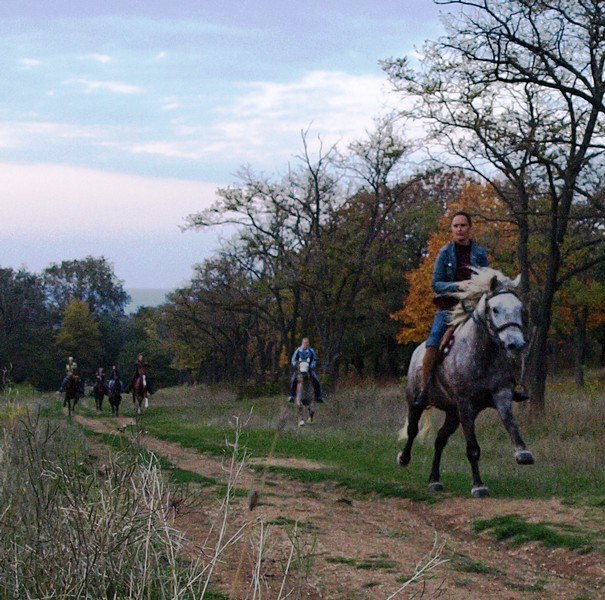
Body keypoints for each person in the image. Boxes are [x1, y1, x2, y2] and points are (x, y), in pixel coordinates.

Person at [414, 211, 528, 410]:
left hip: (475, 306)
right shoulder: (444, 253)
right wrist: (459, 285)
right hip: (450, 307)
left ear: (469, 228)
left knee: (502, 334)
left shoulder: (480, 253)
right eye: (456, 226)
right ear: (452, 229)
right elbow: (436, 285)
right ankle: (425, 390)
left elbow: (488, 281)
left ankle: (512, 383)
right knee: (433, 342)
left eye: (463, 225)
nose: (460, 229)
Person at [288, 338, 322, 402]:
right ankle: (292, 396)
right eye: (304, 343)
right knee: (293, 380)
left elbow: (314, 360)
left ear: (308, 344)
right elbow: (293, 359)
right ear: (302, 343)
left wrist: (311, 366)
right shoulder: (298, 350)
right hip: (300, 369)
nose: (305, 344)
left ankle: (318, 396)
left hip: (309, 369)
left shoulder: (311, 351)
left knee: (316, 380)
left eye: (306, 343)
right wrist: (295, 364)